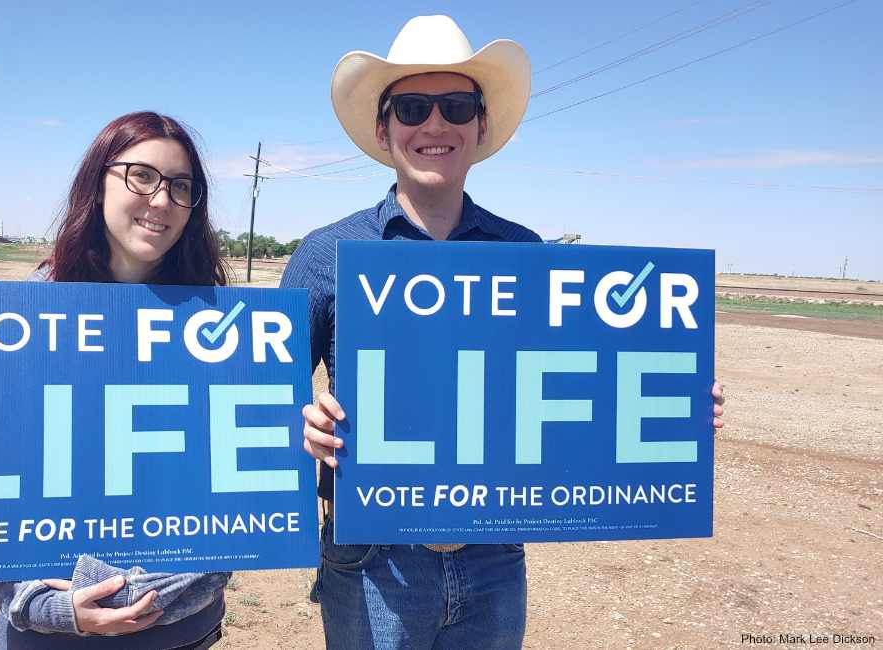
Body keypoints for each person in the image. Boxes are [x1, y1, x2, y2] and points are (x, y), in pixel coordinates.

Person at [280, 16, 726, 649]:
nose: (435, 124)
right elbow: (266, 400)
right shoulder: (326, 253)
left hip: (494, 555)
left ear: (479, 126)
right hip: (373, 556)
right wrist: (302, 422)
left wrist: (668, 410)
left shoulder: (525, 252)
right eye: (412, 106)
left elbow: (579, 390)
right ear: (384, 130)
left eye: (456, 106)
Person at [0, 111, 231, 650]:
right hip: (48, 634)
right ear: (97, 181)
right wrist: (47, 606)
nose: (162, 199)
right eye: (141, 176)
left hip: (178, 634)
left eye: (182, 186)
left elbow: (234, 510)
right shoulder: (21, 319)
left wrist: (146, 597)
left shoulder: (220, 328)